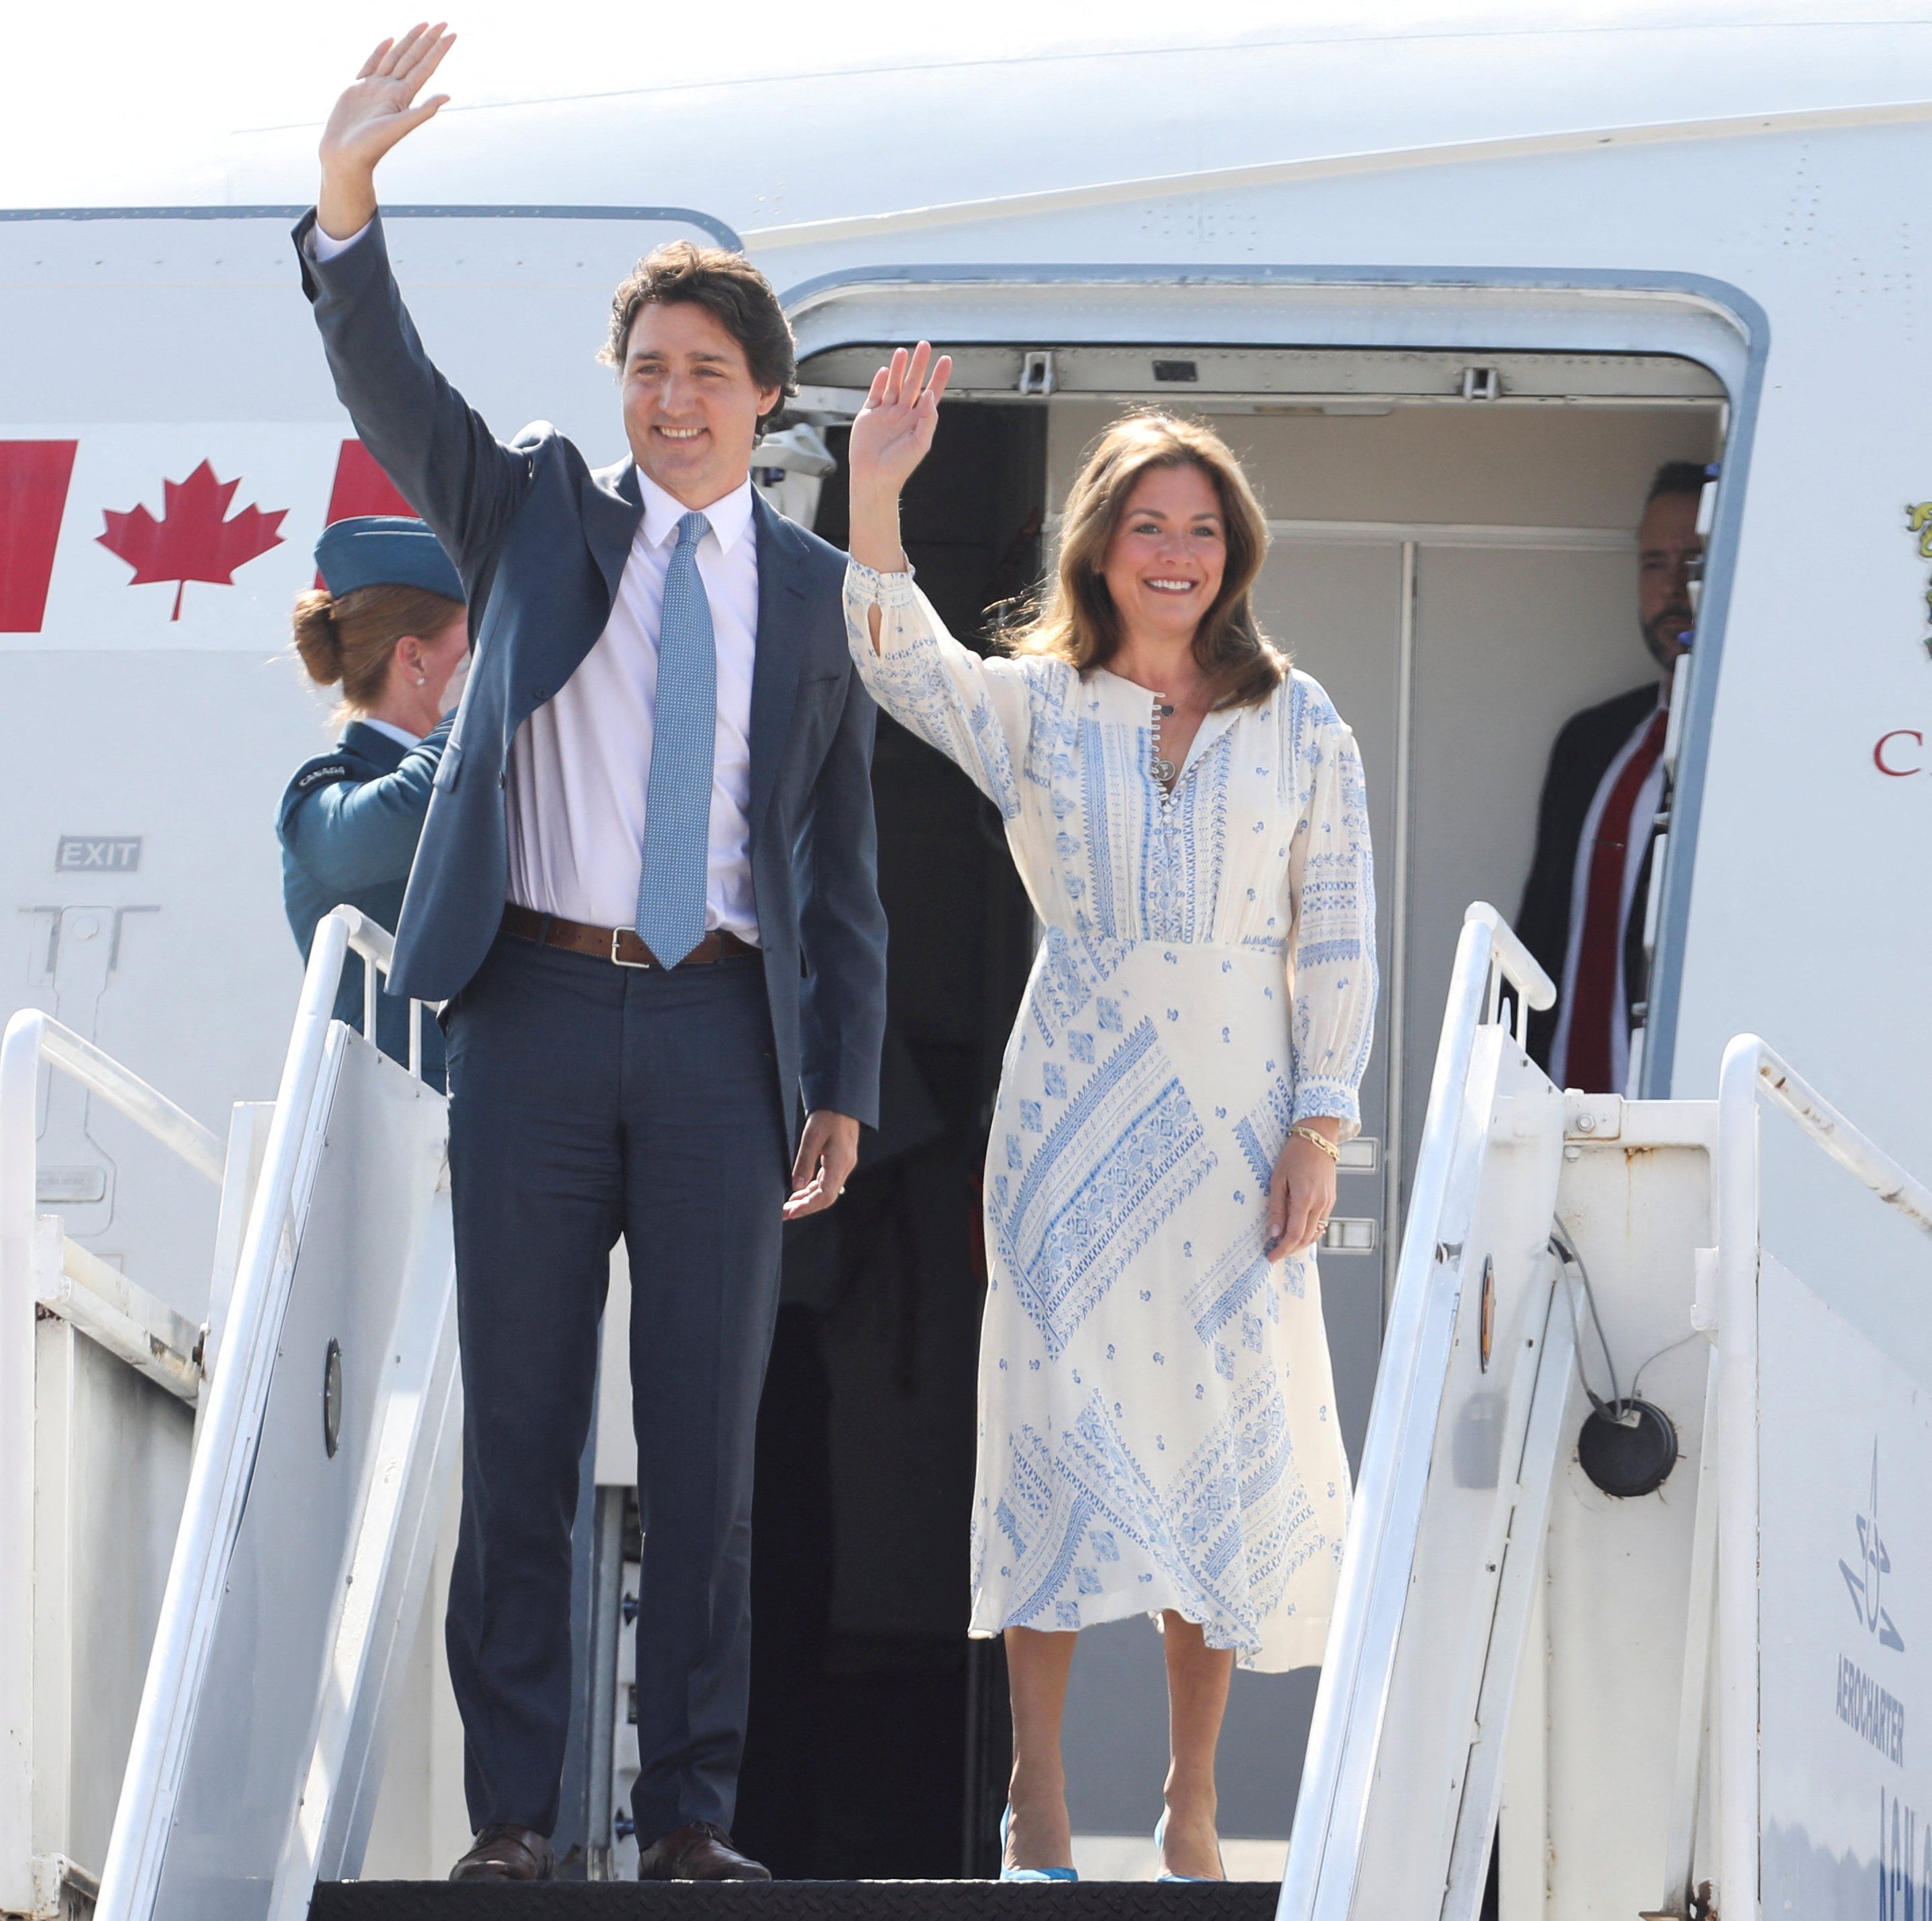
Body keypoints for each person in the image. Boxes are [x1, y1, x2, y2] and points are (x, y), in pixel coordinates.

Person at [298, 24, 887, 1885]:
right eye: (648, 370)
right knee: (529, 1431)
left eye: (708, 374)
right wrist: (346, 204)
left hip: (723, 1029)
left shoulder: (808, 593)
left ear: (764, 401)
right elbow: (398, 393)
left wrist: (844, 1080)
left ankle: (694, 1811)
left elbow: (840, 855)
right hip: (538, 1010)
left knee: (707, 1451)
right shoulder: (541, 507)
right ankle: (515, 1815)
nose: (672, 399)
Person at [844, 347, 1379, 1883]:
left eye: (1202, 527)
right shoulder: (1039, 707)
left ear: (1234, 552)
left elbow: (1332, 928)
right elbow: (896, 656)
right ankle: (1037, 1799)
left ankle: (1193, 1801)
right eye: (1149, 523)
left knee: (1221, 1436)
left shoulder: (1300, 720)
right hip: (1070, 1110)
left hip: (1236, 1115)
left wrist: (1320, 1124)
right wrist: (879, 484)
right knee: (1056, 1428)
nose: (1177, 551)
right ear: (1099, 545)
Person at [1512, 460, 1709, 1095]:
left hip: (1691, 1115)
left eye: (1696, 561)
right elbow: (1540, 930)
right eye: (1655, 562)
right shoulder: (1591, 741)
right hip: (1560, 1115)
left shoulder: (1758, 752)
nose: (1674, 587)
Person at [278, 514, 469, 1089]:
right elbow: (411, 814)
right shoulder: (325, 794)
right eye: (481, 646)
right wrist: (472, 713)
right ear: (413, 660)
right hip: (401, 1124)